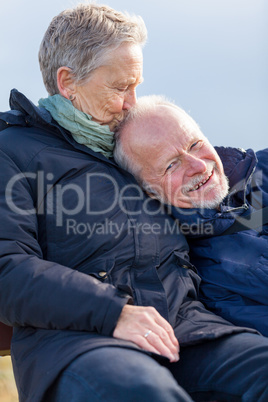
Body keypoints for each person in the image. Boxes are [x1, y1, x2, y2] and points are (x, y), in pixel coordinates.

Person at [0, 4, 267, 402]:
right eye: (121, 87)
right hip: (80, 342)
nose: (131, 102)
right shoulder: (12, 152)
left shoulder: (129, 146)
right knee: (143, 392)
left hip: (187, 330)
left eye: (137, 86)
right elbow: (6, 267)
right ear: (68, 82)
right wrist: (114, 312)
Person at [114, 94, 268, 337]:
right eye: (171, 165)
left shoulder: (261, 169)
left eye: (195, 144)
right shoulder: (205, 274)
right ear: (148, 191)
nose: (198, 165)